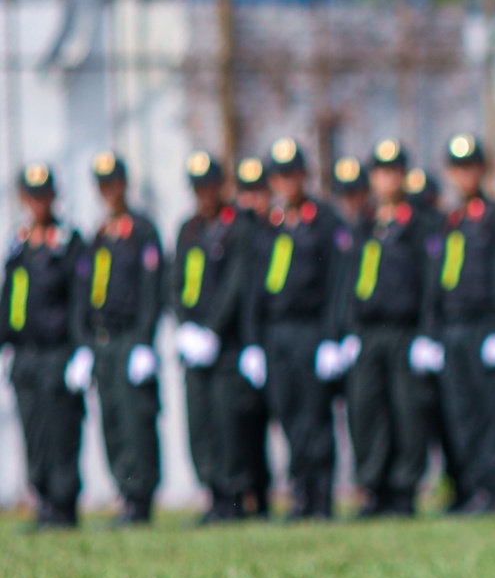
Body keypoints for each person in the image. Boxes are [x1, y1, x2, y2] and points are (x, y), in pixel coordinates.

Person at [248, 138, 349, 519]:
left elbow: (336, 284)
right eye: (279, 175)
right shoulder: (270, 225)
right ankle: (300, 493)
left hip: (310, 331)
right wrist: (254, 342)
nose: (286, 182)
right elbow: (256, 288)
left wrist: (331, 336)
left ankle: (320, 497)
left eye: (292, 174)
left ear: (304, 175)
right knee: (287, 414)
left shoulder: (324, 222)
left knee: (314, 417)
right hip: (277, 335)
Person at [425, 133, 495, 514]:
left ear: (482, 170)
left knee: (492, 416)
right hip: (453, 330)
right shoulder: (447, 221)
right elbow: (434, 282)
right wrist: (431, 332)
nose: (464, 176)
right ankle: (469, 488)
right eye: (457, 168)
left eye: (471, 167)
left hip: (487, 328)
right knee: (460, 414)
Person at [341, 139, 436, 517]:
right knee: (367, 411)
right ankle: (373, 486)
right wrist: (347, 329)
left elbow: (430, 283)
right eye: (381, 171)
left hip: (404, 331)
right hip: (368, 333)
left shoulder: (420, 223)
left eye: (394, 171)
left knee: (406, 412)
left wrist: (426, 333)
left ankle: (403, 489)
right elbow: (348, 283)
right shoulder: (365, 225)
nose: (387, 179)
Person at [168, 152, 261, 523]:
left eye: (208, 185)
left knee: (228, 423)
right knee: (201, 422)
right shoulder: (188, 229)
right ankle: (213, 493)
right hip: (195, 345)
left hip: (225, 345)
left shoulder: (238, 226)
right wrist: (185, 326)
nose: (203, 194)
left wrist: (212, 330)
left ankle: (234, 497)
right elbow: (175, 284)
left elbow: (236, 284)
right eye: (197, 187)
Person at [72, 153, 164, 525]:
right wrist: (83, 343)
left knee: (135, 419)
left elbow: (152, 289)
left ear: (125, 184)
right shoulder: (97, 235)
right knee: (111, 420)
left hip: (129, 340)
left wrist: (144, 340)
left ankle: (141, 498)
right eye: (102, 185)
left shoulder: (142, 231)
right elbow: (82, 294)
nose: (109, 192)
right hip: (102, 342)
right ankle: (124, 494)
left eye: (114, 183)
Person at [4, 164, 86, 528]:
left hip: (57, 355)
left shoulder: (68, 242)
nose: (38, 202)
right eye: (31, 196)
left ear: (53, 197)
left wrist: (81, 349)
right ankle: (44, 504)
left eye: (44, 195)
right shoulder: (18, 245)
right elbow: (9, 301)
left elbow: (80, 299)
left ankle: (64, 506)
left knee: (61, 434)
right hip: (25, 357)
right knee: (34, 433)